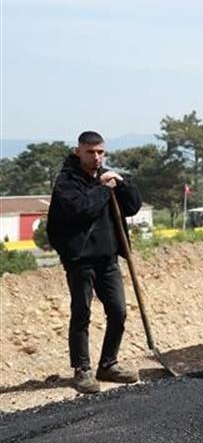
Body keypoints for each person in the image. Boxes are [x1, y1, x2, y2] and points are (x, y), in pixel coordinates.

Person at [45, 131, 143, 394]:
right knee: (82, 313)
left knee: (118, 312)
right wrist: (103, 188)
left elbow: (133, 206)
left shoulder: (107, 176)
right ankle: (82, 369)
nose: (96, 157)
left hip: (108, 258)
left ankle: (108, 364)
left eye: (100, 151)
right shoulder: (67, 182)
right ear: (78, 152)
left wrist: (121, 184)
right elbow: (82, 210)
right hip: (80, 260)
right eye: (90, 152)